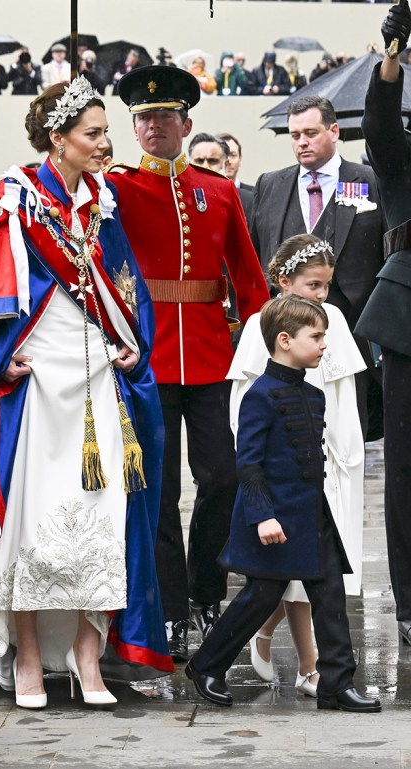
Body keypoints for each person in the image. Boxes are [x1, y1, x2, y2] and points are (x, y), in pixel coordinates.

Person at [0, 76, 174, 709]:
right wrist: (0, 361)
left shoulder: (105, 202)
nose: (106, 144)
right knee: (31, 522)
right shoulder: (14, 200)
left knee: (103, 519)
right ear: (56, 138)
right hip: (38, 380)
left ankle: (88, 657)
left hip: (98, 373)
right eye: (94, 134)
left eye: (106, 132)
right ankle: (29, 658)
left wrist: (135, 341)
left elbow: (124, 281)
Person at [109, 65, 270, 660]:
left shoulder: (220, 190)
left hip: (209, 356)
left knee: (222, 479)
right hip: (144, 358)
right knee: (157, 492)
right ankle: (171, 610)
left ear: (186, 123)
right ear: (134, 127)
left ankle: (206, 592)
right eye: (144, 119)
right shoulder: (116, 188)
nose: (154, 127)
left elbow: (249, 280)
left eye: (164, 117)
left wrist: (264, 348)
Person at [185, 295, 381, 714]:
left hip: (312, 516)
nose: (325, 345)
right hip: (273, 518)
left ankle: (336, 683)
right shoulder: (260, 394)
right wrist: (263, 516)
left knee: (330, 596)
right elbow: (249, 463)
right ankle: (206, 666)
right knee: (260, 596)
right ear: (286, 340)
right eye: (317, 336)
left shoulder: (313, 395)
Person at [228, 234, 366, 696]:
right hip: (283, 467)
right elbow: (245, 401)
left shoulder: (337, 322)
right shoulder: (260, 324)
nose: (321, 296)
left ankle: (311, 663)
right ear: (284, 280)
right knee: (284, 572)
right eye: (312, 285)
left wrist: (348, 451)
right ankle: (308, 664)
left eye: (326, 286)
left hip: (329, 461)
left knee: (321, 574)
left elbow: (344, 391)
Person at [250, 94, 385, 441]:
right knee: (287, 438)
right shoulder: (270, 184)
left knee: (349, 435)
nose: (302, 142)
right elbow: (255, 255)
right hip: (284, 339)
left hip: (353, 333)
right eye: (295, 135)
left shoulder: (371, 181)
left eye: (310, 132)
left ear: (334, 130)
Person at [356, 0, 411, 646]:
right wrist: (392, 59)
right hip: (407, 318)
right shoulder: (401, 160)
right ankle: (408, 599)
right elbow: (380, 129)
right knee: (405, 469)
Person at [217, 132, 253, 223]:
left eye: (233, 155)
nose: (228, 161)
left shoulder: (255, 194)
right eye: (223, 155)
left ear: (240, 158)